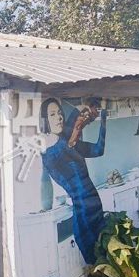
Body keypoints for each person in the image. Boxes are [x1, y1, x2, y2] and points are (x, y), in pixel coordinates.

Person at [38, 97, 107, 265]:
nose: (59, 117)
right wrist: (79, 110)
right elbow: (66, 141)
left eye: (60, 113)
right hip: (84, 214)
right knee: (97, 265)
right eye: (52, 114)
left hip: (96, 205)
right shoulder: (49, 154)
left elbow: (98, 150)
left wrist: (103, 119)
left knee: (107, 259)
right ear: (45, 121)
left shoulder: (70, 144)